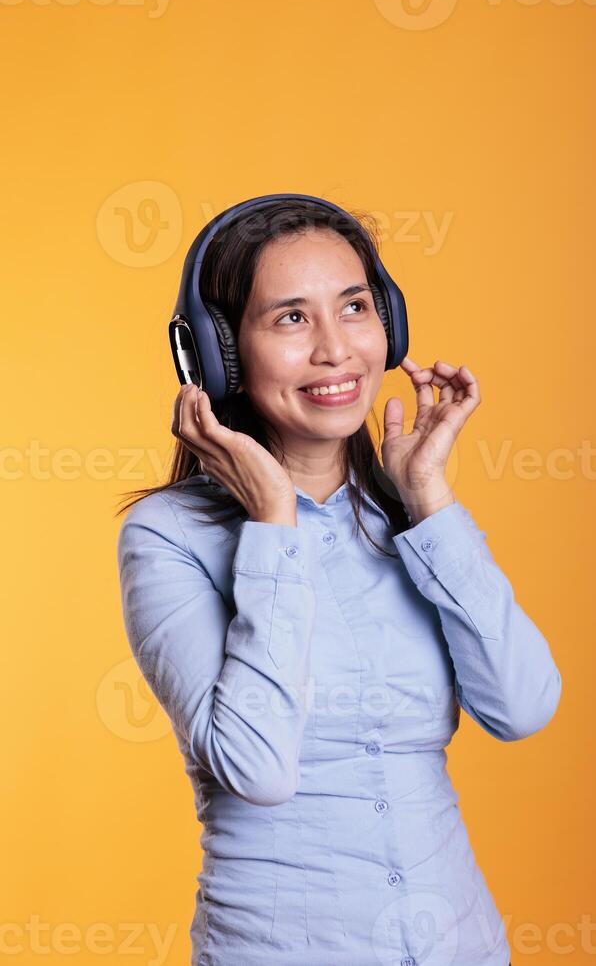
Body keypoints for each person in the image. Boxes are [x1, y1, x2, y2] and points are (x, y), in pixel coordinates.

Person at [115, 197, 560, 966]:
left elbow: (523, 707)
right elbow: (254, 768)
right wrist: (273, 524)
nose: (335, 350)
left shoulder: (413, 520)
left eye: (354, 307)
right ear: (220, 354)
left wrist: (430, 502)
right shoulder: (166, 536)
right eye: (290, 318)